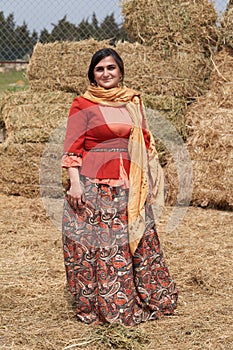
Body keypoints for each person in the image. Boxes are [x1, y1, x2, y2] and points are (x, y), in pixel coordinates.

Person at [61, 47, 178, 326]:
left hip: (130, 184)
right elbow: (72, 147)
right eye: (99, 69)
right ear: (92, 75)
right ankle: (106, 305)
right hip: (95, 186)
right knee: (103, 248)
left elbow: (145, 141)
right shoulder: (83, 104)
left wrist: (148, 180)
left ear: (120, 71)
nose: (106, 74)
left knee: (137, 240)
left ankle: (147, 297)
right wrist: (75, 184)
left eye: (110, 68)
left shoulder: (133, 101)